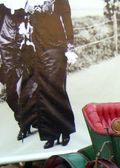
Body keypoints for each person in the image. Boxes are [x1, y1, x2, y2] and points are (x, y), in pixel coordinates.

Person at [21, 0, 76, 149]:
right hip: (38, 49)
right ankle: (51, 135)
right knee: (43, 92)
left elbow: (67, 21)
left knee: (56, 89)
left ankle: (65, 131)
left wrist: (70, 47)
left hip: (56, 48)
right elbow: (27, 22)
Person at [0, 2, 32, 141]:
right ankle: (24, 121)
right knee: (11, 94)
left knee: (28, 89)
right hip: (6, 54)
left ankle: (27, 122)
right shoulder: (2, 10)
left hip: (23, 51)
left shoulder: (27, 9)